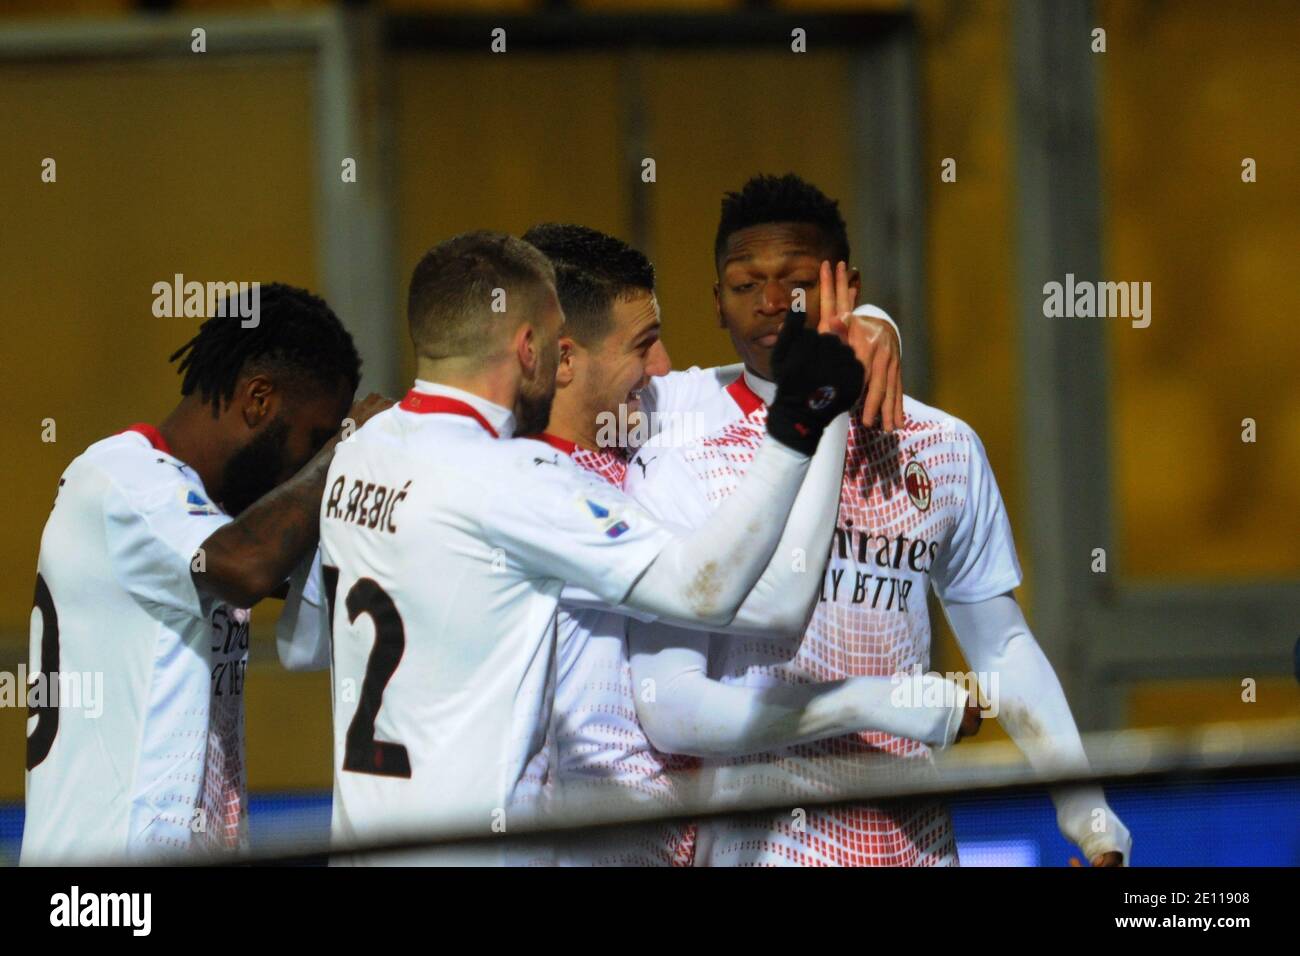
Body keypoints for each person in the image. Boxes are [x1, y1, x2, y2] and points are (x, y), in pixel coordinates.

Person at [22, 283, 387, 864]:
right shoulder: (123, 478)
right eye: (314, 438)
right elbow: (244, 567)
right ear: (259, 401)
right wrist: (343, 452)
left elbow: (307, 637)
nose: (312, 462)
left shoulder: (206, 517)